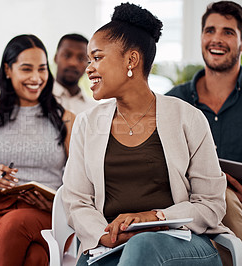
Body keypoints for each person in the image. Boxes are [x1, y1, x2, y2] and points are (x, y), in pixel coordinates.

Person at [61, 3, 231, 265]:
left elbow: (210, 204)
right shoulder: (87, 123)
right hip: (110, 246)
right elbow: (76, 199)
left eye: (97, 57)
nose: (89, 68)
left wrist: (154, 217)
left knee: (142, 247)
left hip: (182, 243)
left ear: (131, 60)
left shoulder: (188, 118)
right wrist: (104, 235)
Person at [0, 34, 75, 266]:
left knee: (15, 223)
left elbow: (83, 184)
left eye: (42, 69)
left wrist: (58, 204)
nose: (36, 78)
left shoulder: (67, 120)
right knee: (34, 258)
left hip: (48, 216)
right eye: (26, 69)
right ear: (8, 70)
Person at [166, 0, 242, 243]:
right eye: (210, 31)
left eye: (228, 32)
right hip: (185, 208)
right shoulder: (174, 101)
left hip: (237, 205)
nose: (216, 39)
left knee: (228, 199)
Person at [53, 33, 97, 114]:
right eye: (67, 55)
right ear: (56, 58)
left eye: (81, 58)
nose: (73, 63)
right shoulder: (38, 100)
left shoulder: (94, 109)